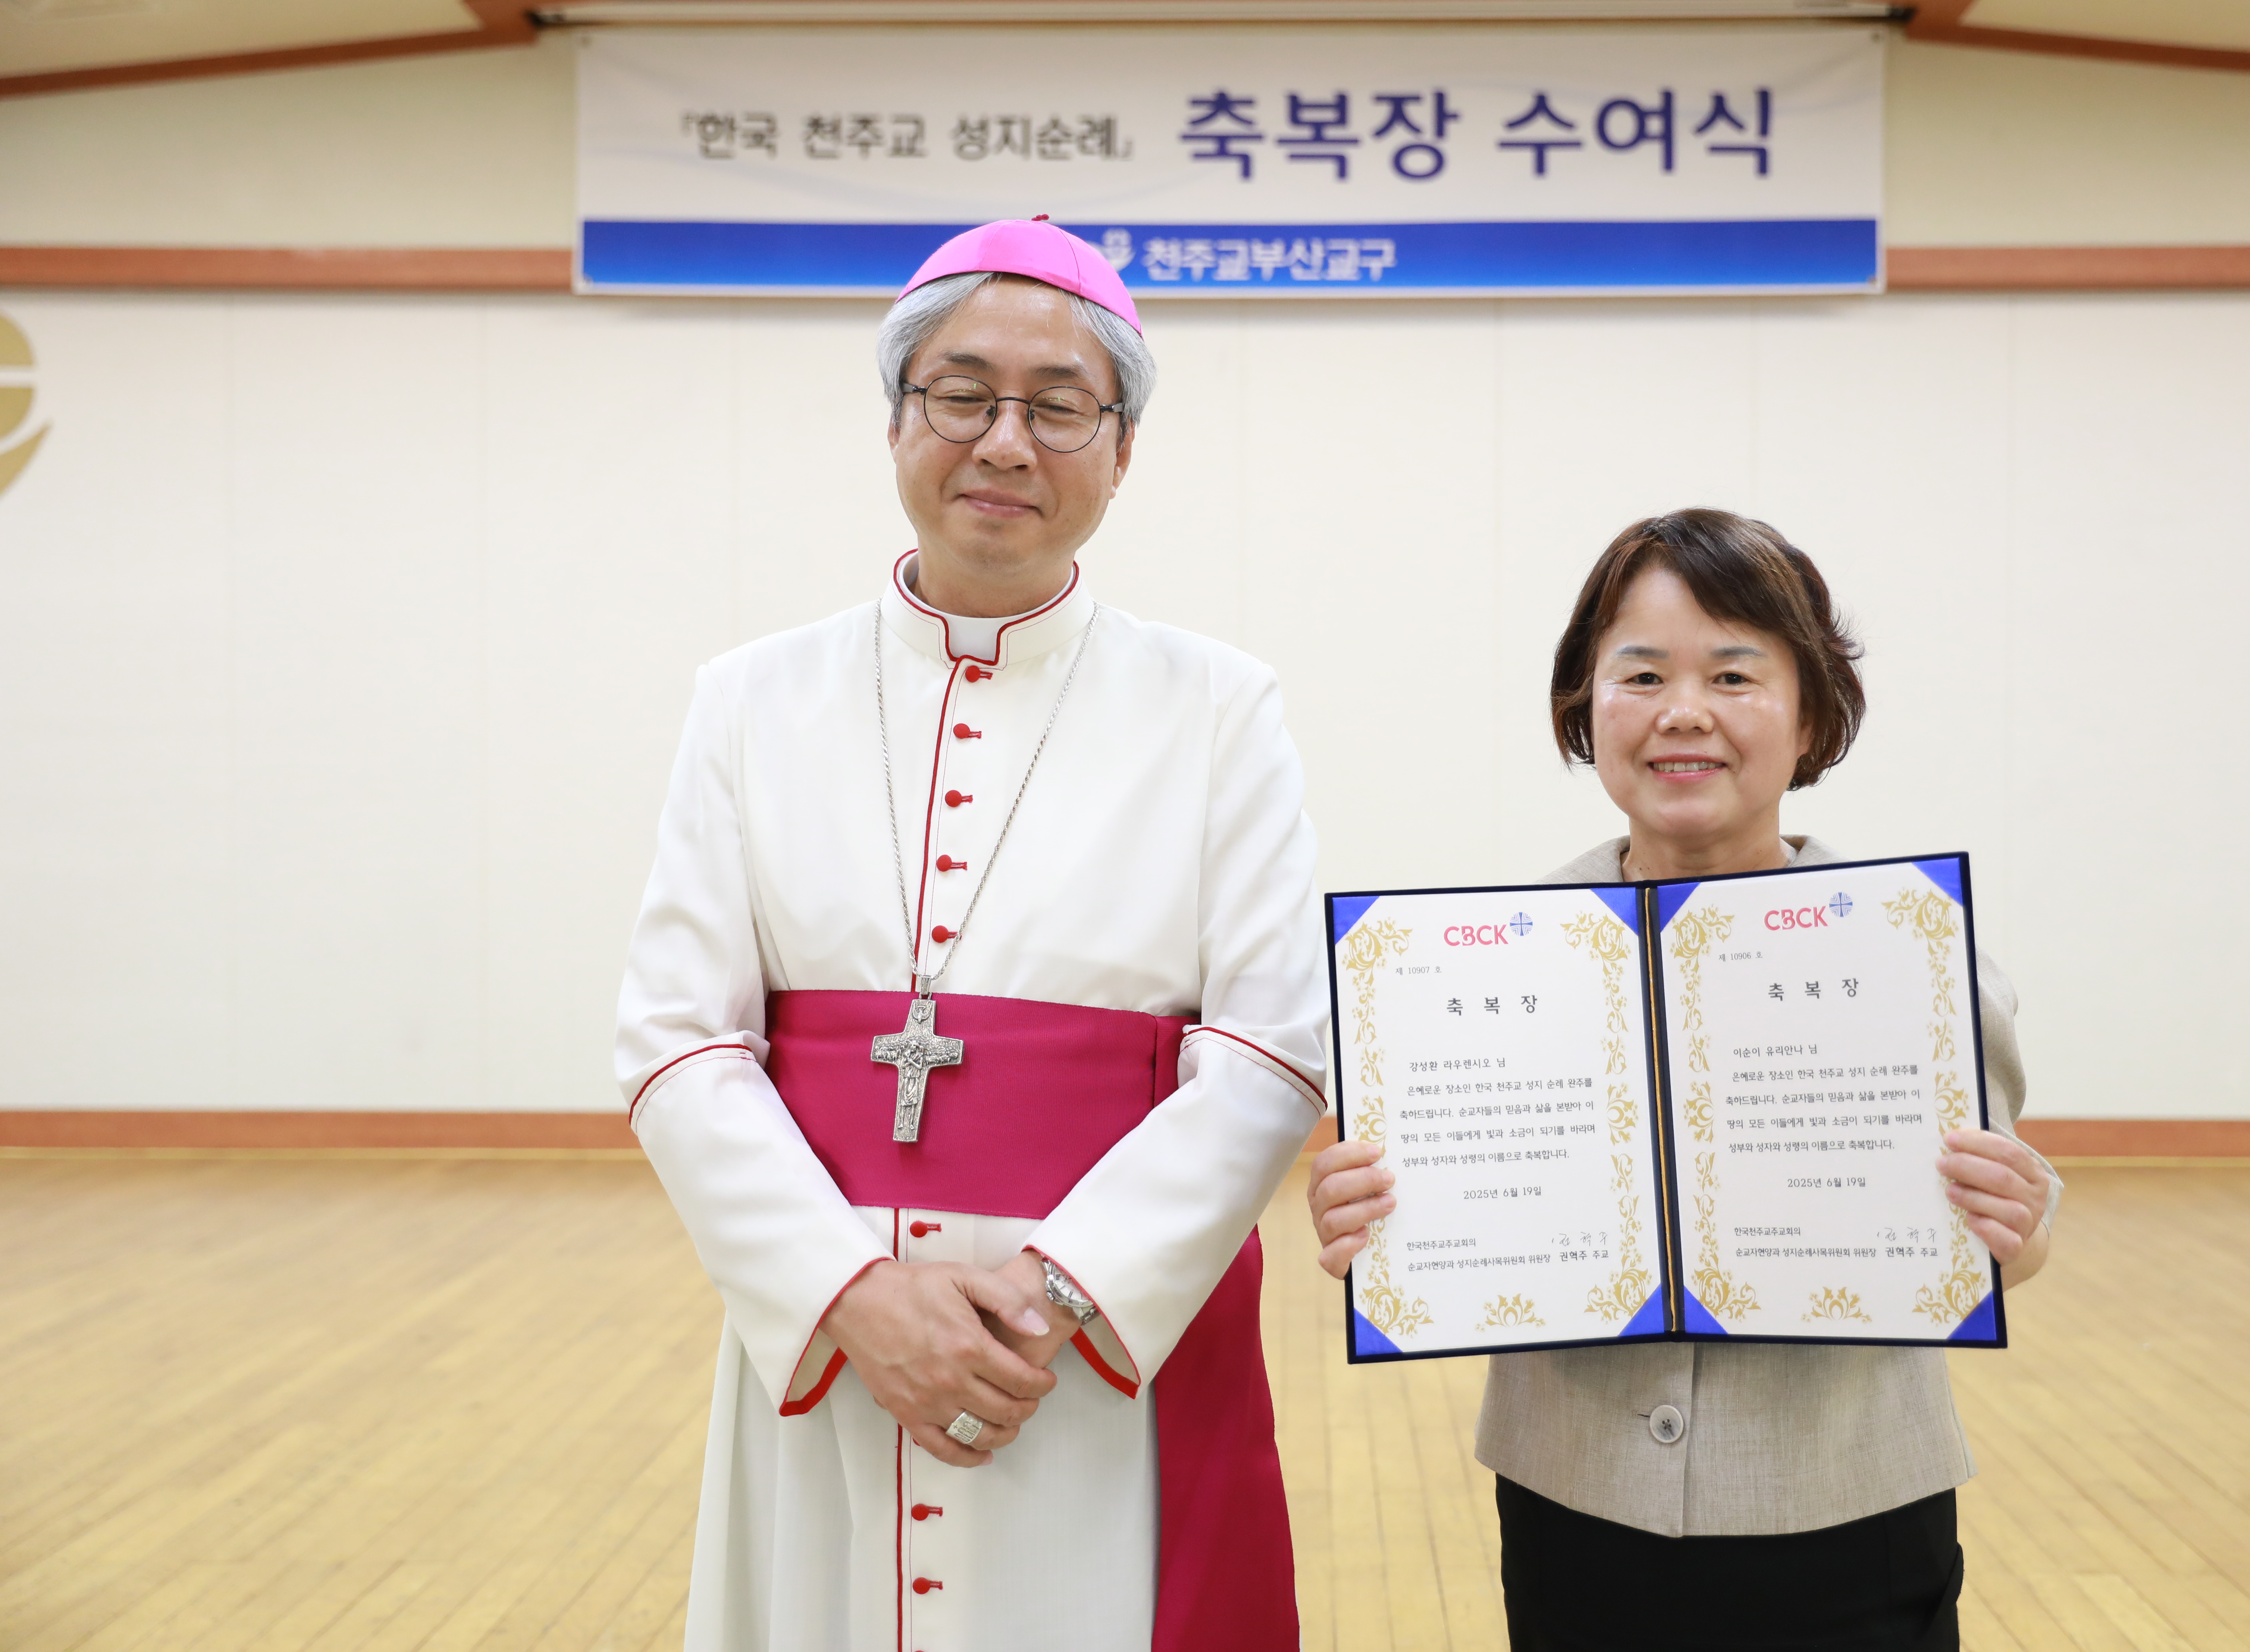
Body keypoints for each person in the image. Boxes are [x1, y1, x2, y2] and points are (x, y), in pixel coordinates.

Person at [618, 219, 1328, 1652]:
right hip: (827, 1341)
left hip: (1086, 1355)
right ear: (896, 420)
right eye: (962, 394)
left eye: (1061, 405)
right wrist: (852, 1293)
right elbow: (678, 1036)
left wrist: (1056, 1296)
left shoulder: (1220, 706)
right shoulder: (750, 700)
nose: (1006, 439)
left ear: (1121, 451)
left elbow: (1271, 1048)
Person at [1307, 509, 2060, 1650]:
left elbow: (2004, 1201)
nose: (1684, 712)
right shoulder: (1475, 968)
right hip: (1577, 1506)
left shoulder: (1910, 946)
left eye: (1735, 673)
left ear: (1811, 717)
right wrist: (1374, 1217)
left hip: (1847, 1505)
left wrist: (2024, 1226)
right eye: (1642, 674)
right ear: (1584, 709)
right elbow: (1423, 1215)